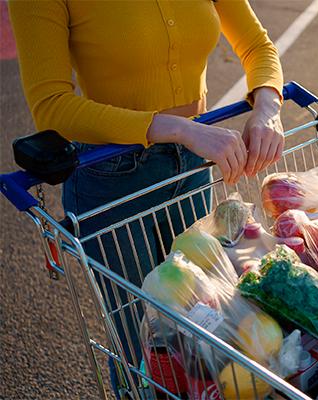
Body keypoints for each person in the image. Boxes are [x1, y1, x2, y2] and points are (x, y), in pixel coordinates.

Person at [8, 0, 284, 396]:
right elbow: (50, 107)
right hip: (112, 178)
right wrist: (178, 129)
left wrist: (267, 109)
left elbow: (258, 46)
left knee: (205, 319)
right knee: (143, 344)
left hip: (192, 163)